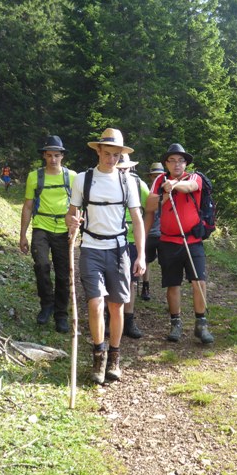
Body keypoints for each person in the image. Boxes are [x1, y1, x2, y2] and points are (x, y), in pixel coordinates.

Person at [66, 128, 146, 384]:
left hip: (119, 250)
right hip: (91, 248)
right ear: (98, 151)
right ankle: (98, 356)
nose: (112, 159)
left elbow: (137, 220)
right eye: (107, 153)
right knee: (95, 303)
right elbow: (71, 213)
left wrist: (141, 255)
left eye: (116, 155)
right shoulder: (83, 179)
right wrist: (72, 222)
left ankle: (114, 357)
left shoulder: (128, 182)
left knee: (116, 305)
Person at [144, 143, 213, 344]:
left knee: (199, 281)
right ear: (166, 163)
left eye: (181, 160)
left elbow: (191, 187)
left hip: (192, 240)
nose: (177, 164)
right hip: (168, 241)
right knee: (172, 283)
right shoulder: (159, 180)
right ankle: (175, 323)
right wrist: (166, 194)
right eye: (172, 160)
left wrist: (173, 185)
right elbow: (150, 205)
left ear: (186, 163)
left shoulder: (195, 177)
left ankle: (201, 324)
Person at [19, 135, 72, 332]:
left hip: (64, 230)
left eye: (56, 155)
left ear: (62, 156)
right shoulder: (34, 177)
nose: (53, 159)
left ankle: (61, 314)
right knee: (41, 265)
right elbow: (27, 206)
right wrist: (23, 235)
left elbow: (78, 205)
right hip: (41, 226)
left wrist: (76, 225)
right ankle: (47, 304)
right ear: (44, 156)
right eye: (49, 155)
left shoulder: (72, 177)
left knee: (63, 275)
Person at [115, 153, 149, 338]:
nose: (122, 171)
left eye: (125, 168)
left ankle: (128, 321)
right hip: (110, 238)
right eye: (119, 168)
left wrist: (143, 232)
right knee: (110, 279)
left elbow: (150, 208)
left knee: (130, 281)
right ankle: (111, 318)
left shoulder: (138, 184)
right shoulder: (103, 182)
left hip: (131, 238)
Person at [140, 162, 165, 301]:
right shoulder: (145, 192)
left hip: (163, 233)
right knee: (146, 261)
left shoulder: (169, 191)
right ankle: (145, 286)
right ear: (150, 177)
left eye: (159, 176)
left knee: (166, 262)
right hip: (148, 233)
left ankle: (170, 289)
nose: (157, 178)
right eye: (154, 176)